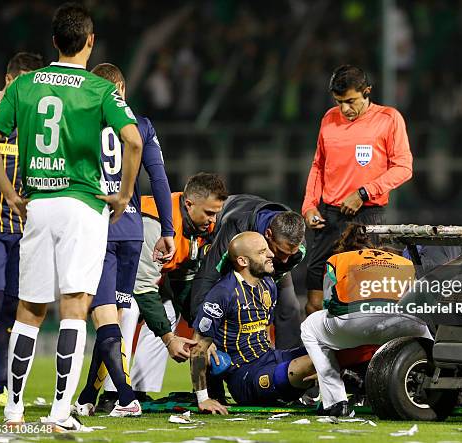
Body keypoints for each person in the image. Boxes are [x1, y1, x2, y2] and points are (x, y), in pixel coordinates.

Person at [0, 3, 143, 430]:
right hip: (83, 207)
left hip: (38, 204)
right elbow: (132, 141)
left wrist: (7, 191)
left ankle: (14, 412)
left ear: (54, 41)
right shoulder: (99, 89)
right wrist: (124, 194)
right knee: (75, 307)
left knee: (29, 309)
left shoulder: (26, 86)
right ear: (90, 42)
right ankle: (59, 414)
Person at [72, 63, 177, 418]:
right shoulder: (142, 126)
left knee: (103, 319)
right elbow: (159, 180)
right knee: (112, 318)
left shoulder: (81, 122)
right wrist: (167, 230)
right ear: (121, 87)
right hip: (132, 232)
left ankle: (126, 398)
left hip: (98, 229)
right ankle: (88, 395)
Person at [96, 173, 227, 411]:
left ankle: (137, 390)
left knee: (168, 309)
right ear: (189, 204)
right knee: (127, 308)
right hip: (99, 270)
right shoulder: (155, 223)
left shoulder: (197, 224)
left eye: (216, 212)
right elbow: (141, 286)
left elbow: (183, 284)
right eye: (209, 212)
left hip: (134, 277)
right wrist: (169, 340)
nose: (213, 219)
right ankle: (113, 393)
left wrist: (202, 335)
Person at [302, 64, 413, 315]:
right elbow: (318, 165)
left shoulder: (389, 119)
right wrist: (309, 205)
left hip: (367, 217)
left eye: (351, 101)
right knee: (315, 301)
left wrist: (363, 193)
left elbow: (404, 167)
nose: (345, 109)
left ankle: (363, 353)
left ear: (367, 91)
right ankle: (318, 352)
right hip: (329, 218)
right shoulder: (329, 119)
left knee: (364, 300)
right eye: (339, 101)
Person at [300, 224, 432, 416]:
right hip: (403, 322)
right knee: (425, 336)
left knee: (309, 327)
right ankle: (445, 388)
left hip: (354, 325)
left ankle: (336, 402)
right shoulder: (401, 260)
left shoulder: (338, 259)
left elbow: (330, 304)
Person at [190, 232, 315, 414]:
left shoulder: (269, 285)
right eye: (262, 252)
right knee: (315, 361)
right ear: (243, 261)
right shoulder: (223, 293)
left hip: (270, 358)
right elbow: (197, 348)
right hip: (245, 377)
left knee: (330, 352)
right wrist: (204, 399)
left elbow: (264, 329)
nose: (271, 255)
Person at [0, 52, 44, 408]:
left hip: (23, 230)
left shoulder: (35, 121)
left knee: (12, 306)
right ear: (9, 81)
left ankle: (3, 384)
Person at [191, 194, 306, 349]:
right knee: (225, 295)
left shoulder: (295, 249)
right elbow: (208, 276)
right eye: (281, 252)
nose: (285, 260)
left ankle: (287, 365)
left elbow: (271, 286)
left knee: (289, 306)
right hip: (223, 227)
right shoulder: (236, 227)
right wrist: (201, 333)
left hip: (265, 259)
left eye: (289, 254)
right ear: (269, 234)